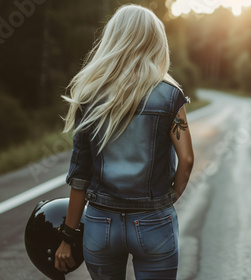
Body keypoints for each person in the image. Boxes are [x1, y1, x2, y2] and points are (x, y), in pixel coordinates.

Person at [54, 5, 194, 280]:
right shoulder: (170, 95)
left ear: (114, 38)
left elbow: (79, 176)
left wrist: (67, 237)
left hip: (101, 224)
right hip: (154, 222)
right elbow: (187, 160)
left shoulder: (89, 94)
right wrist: (164, 202)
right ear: (156, 42)